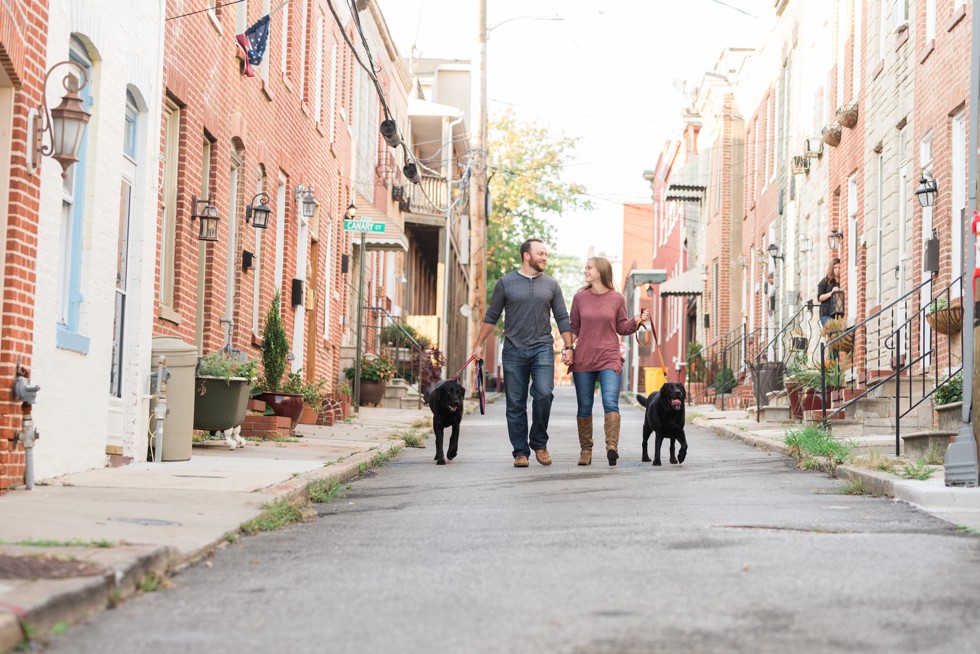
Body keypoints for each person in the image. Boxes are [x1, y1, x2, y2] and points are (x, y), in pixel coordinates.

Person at [471, 238, 573, 468]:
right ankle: (520, 451)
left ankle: (539, 442)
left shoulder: (551, 285)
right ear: (526, 256)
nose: (544, 257)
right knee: (516, 403)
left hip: (542, 348)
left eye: (546, 253)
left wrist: (568, 347)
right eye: (540, 253)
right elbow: (492, 315)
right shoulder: (505, 283)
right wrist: (479, 344)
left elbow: (562, 317)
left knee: (544, 393)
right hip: (513, 350)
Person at [564, 257, 648, 466]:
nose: (585, 270)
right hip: (584, 359)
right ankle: (586, 451)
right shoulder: (579, 298)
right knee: (584, 406)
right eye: (585, 267)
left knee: (610, 402)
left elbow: (621, 327)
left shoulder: (617, 299)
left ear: (600, 271)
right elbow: (574, 328)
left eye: (589, 267)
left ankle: (612, 446)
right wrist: (567, 348)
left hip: (609, 357)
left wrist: (637, 321)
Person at [816, 257, 841, 327]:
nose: (838, 270)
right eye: (835, 268)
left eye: (839, 268)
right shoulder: (825, 281)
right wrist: (831, 293)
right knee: (833, 331)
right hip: (826, 314)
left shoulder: (844, 281)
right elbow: (819, 297)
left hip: (839, 315)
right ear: (831, 269)